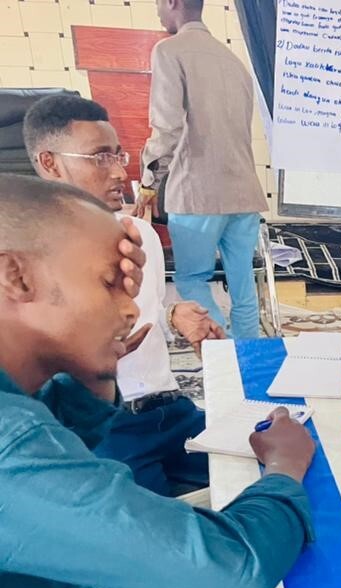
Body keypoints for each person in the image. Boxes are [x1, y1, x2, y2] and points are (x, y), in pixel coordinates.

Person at [0, 175, 315, 588]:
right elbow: (235, 567)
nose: (129, 309)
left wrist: (97, 371)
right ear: (16, 277)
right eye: (108, 282)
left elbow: (54, 464)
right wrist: (284, 470)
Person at [24, 93, 226, 496]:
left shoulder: (140, 234)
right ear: (50, 163)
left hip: (173, 410)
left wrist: (174, 316)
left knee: (264, 468)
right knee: (167, 537)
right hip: (109, 425)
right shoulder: (26, 260)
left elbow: (147, 306)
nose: (120, 172)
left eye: (119, 155)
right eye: (100, 158)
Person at [134, 0, 267, 339]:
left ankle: (222, 353)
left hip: (197, 194)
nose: (157, 13)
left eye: (157, 5)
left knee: (192, 279)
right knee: (242, 284)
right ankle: (249, 356)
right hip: (245, 192)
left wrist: (149, 182)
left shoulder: (169, 51)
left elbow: (167, 128)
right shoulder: (235, 62)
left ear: (172, 2)